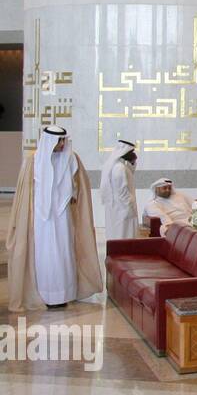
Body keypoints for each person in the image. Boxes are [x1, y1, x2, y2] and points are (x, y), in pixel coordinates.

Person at [6, 125, 101, 311]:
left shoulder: (72, 159)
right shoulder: (32, 162)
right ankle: (44, 294)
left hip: (64, 218)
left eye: (64, 139)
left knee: (64, 253)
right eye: (59, 140)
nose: (62, 143)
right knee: (44, 255)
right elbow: (24, 192)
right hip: (41, 220)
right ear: (49, 141)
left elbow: (81, 186)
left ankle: (64, 294)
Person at [100, 138, 140, 240]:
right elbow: (122, 191)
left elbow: (130, 173)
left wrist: (133, 162)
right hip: (123, 210)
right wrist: (130, 206)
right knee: (123, 236)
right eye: (131, 152)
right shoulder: (119, 168)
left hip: (122, 209)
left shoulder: (121, 166)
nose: (134, 154)